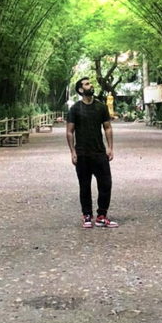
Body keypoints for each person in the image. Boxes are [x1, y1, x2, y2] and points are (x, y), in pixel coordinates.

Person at [66, 76, 119, 228]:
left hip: (99, 152)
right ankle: (87, 215)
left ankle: (102, 215)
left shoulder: (101, 107)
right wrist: (72, 152)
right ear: (81, 89)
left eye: (90, 83)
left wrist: (110, 147)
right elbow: (70, 132)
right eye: (87, 84)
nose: (91, 85)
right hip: (82, 153)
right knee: (84, 185)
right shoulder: (75, 109)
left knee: (106, 184)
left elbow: (107, 127)